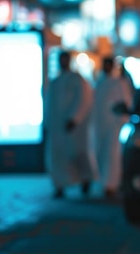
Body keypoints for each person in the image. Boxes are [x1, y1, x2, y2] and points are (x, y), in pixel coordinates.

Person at [45, 50, 96, 198]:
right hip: (56, 128)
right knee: (57, 157)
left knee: (78, 154)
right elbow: (49, 104)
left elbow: (83, 100)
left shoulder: (77, 80)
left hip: (74, 129)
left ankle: (86, 180)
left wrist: (75, 118)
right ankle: (59, 185)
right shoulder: (55, 82)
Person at [91, 56, 133, 198]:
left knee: (112, 155)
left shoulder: (119, 83)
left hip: (114, 125)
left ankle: (111, 184)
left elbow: (125, 103)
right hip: (100, 125)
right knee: (102, 154)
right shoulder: (100, 82)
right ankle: (105, 183)